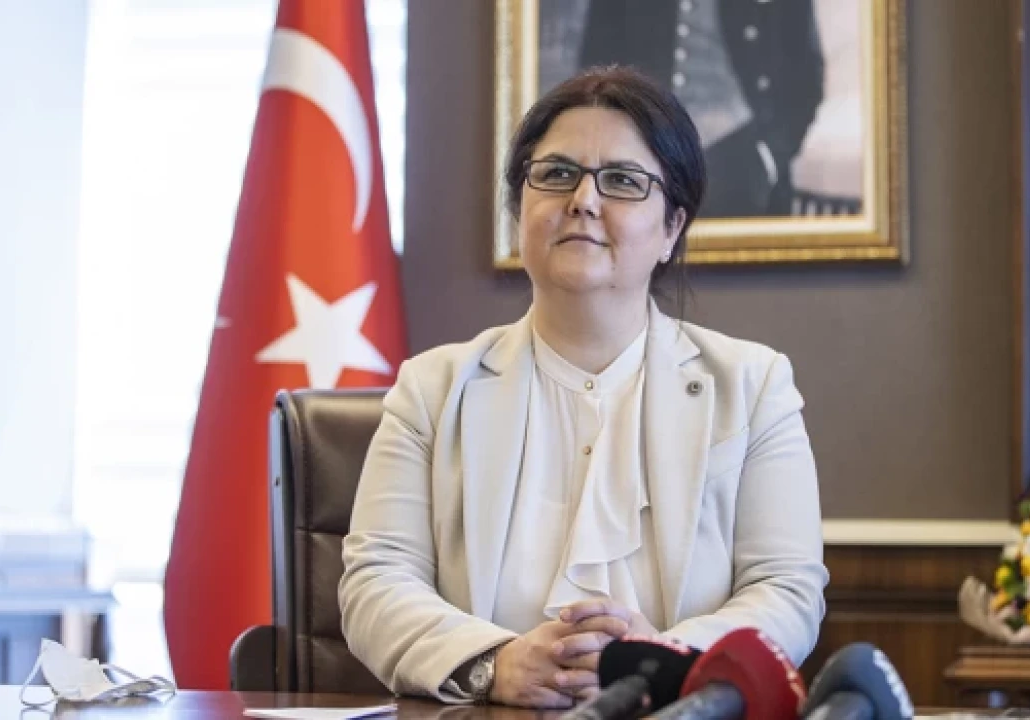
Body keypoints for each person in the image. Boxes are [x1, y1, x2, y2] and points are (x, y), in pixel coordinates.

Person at [339, 66, 828, 709]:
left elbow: (787, 591)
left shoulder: (754, 387)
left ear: (672, 228)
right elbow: (375, 584)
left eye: (622, 180)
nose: (584, 200)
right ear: (520, 209)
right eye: (557, 173)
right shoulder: (431, 390)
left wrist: (661, 662)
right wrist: (496, 662)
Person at [576, 0, 824, 217]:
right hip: (647, 149)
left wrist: (772, 156)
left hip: (741, 153)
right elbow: (597, 64)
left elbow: (804, 72)